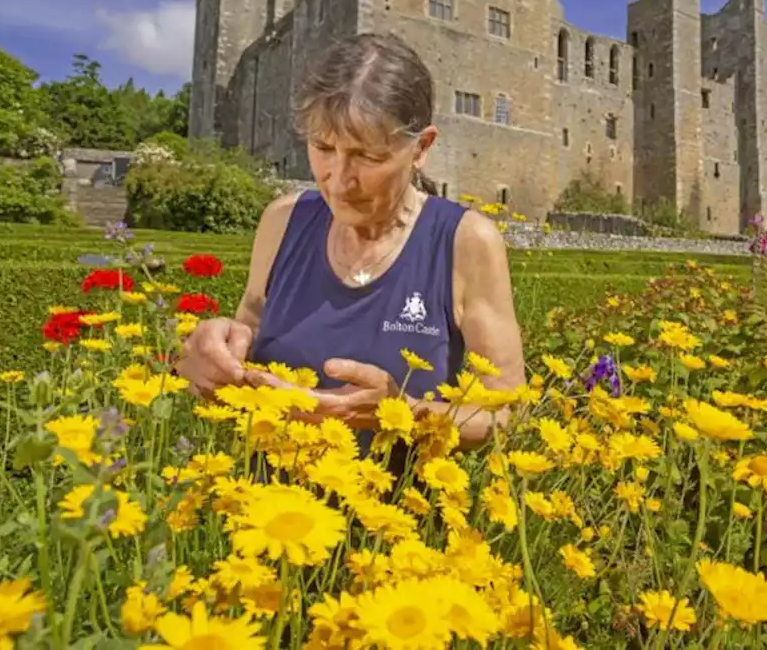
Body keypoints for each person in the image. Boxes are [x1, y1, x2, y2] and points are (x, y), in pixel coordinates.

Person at [176, 33, 526, 450]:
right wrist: (215, 352)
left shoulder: (465, 241)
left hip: (393, 511)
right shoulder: (282, 221)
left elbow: (508, 413)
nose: (339, 180)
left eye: (368, 156)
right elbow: (247, 336)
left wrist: (404, 412)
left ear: (421, 148)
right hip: (262, 509)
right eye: (323, 147)